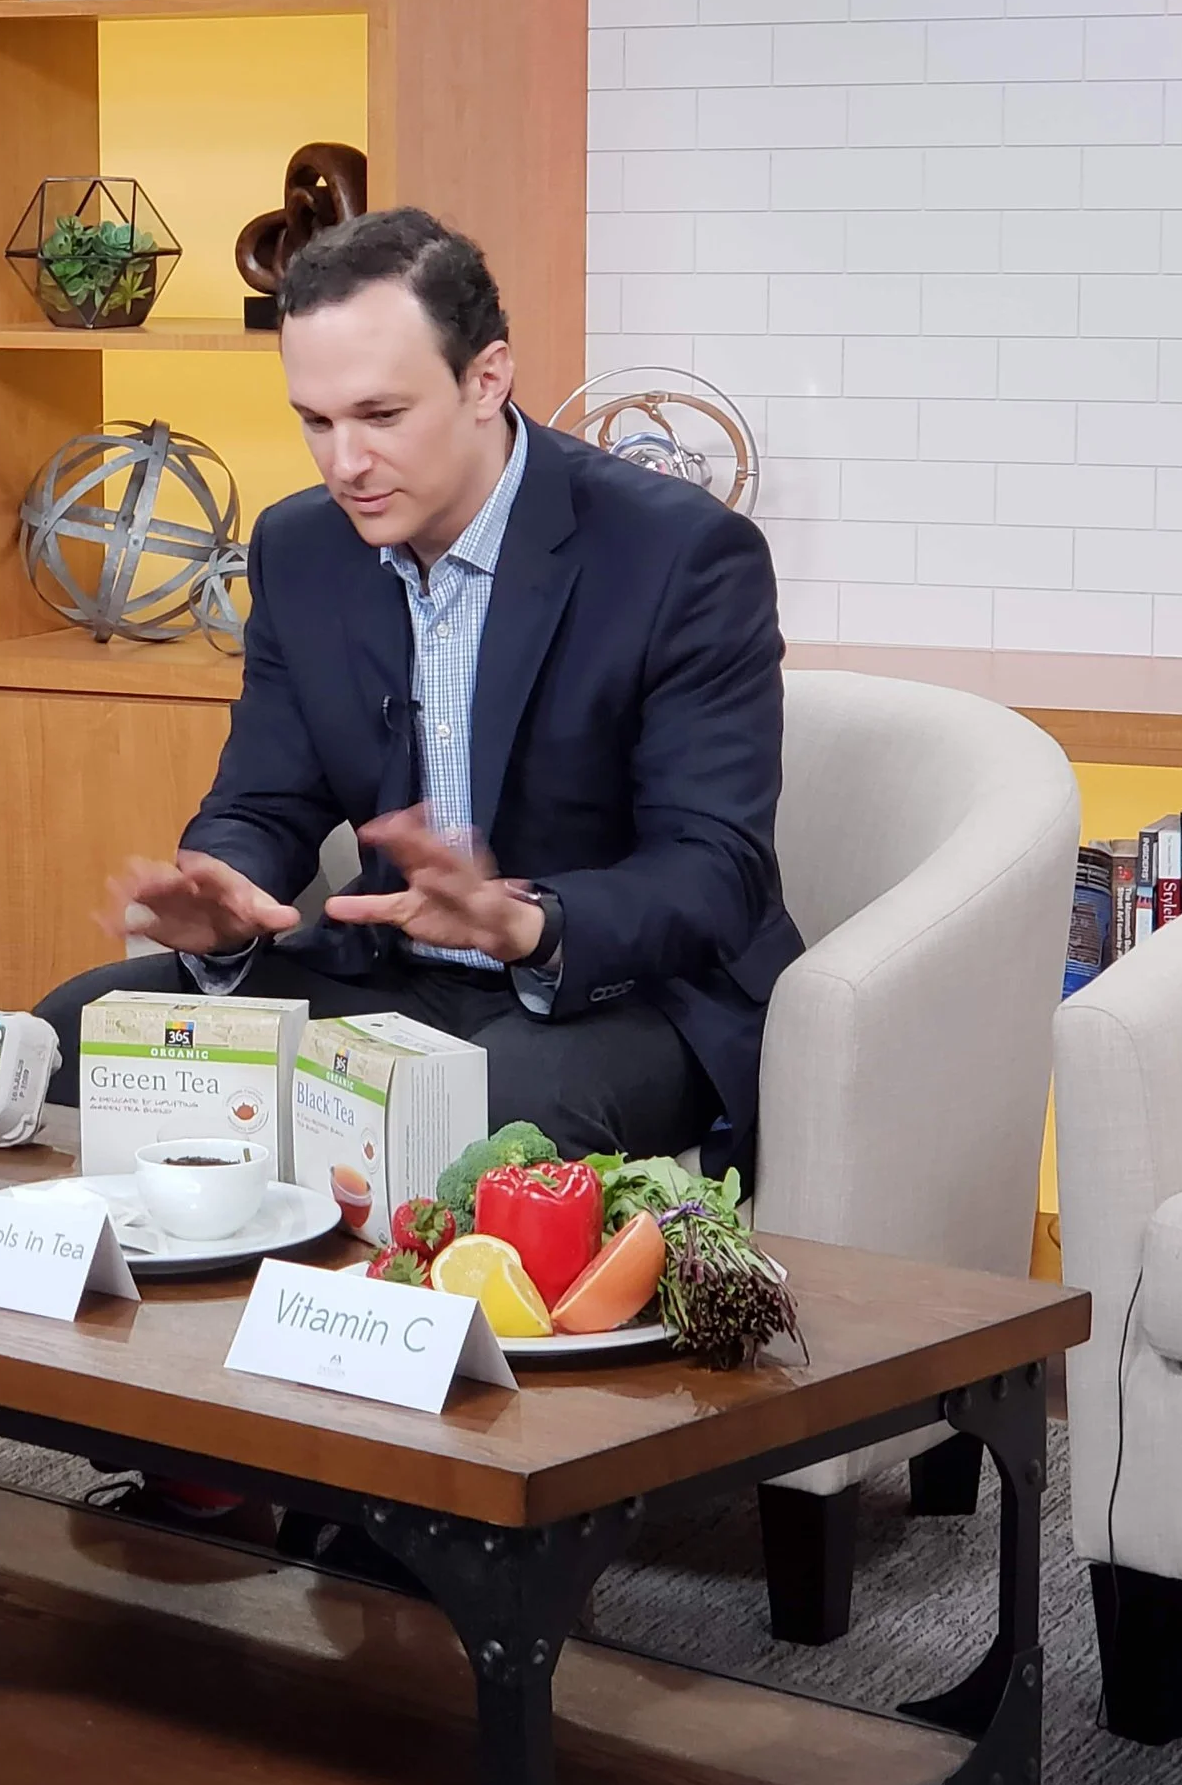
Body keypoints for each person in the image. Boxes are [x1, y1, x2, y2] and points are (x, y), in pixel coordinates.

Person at [39, 204, 801, 1190]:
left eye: (381, 416)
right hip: (390, 976)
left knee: (475, 1120)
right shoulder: (301, 549)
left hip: (622, 996)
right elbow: (265, 798)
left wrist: (526, 920)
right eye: (316, 422)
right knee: (70, 1037)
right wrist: (226, 890)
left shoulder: (678, 554)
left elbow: (715, 870)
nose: (344, 463)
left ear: (486, 379)